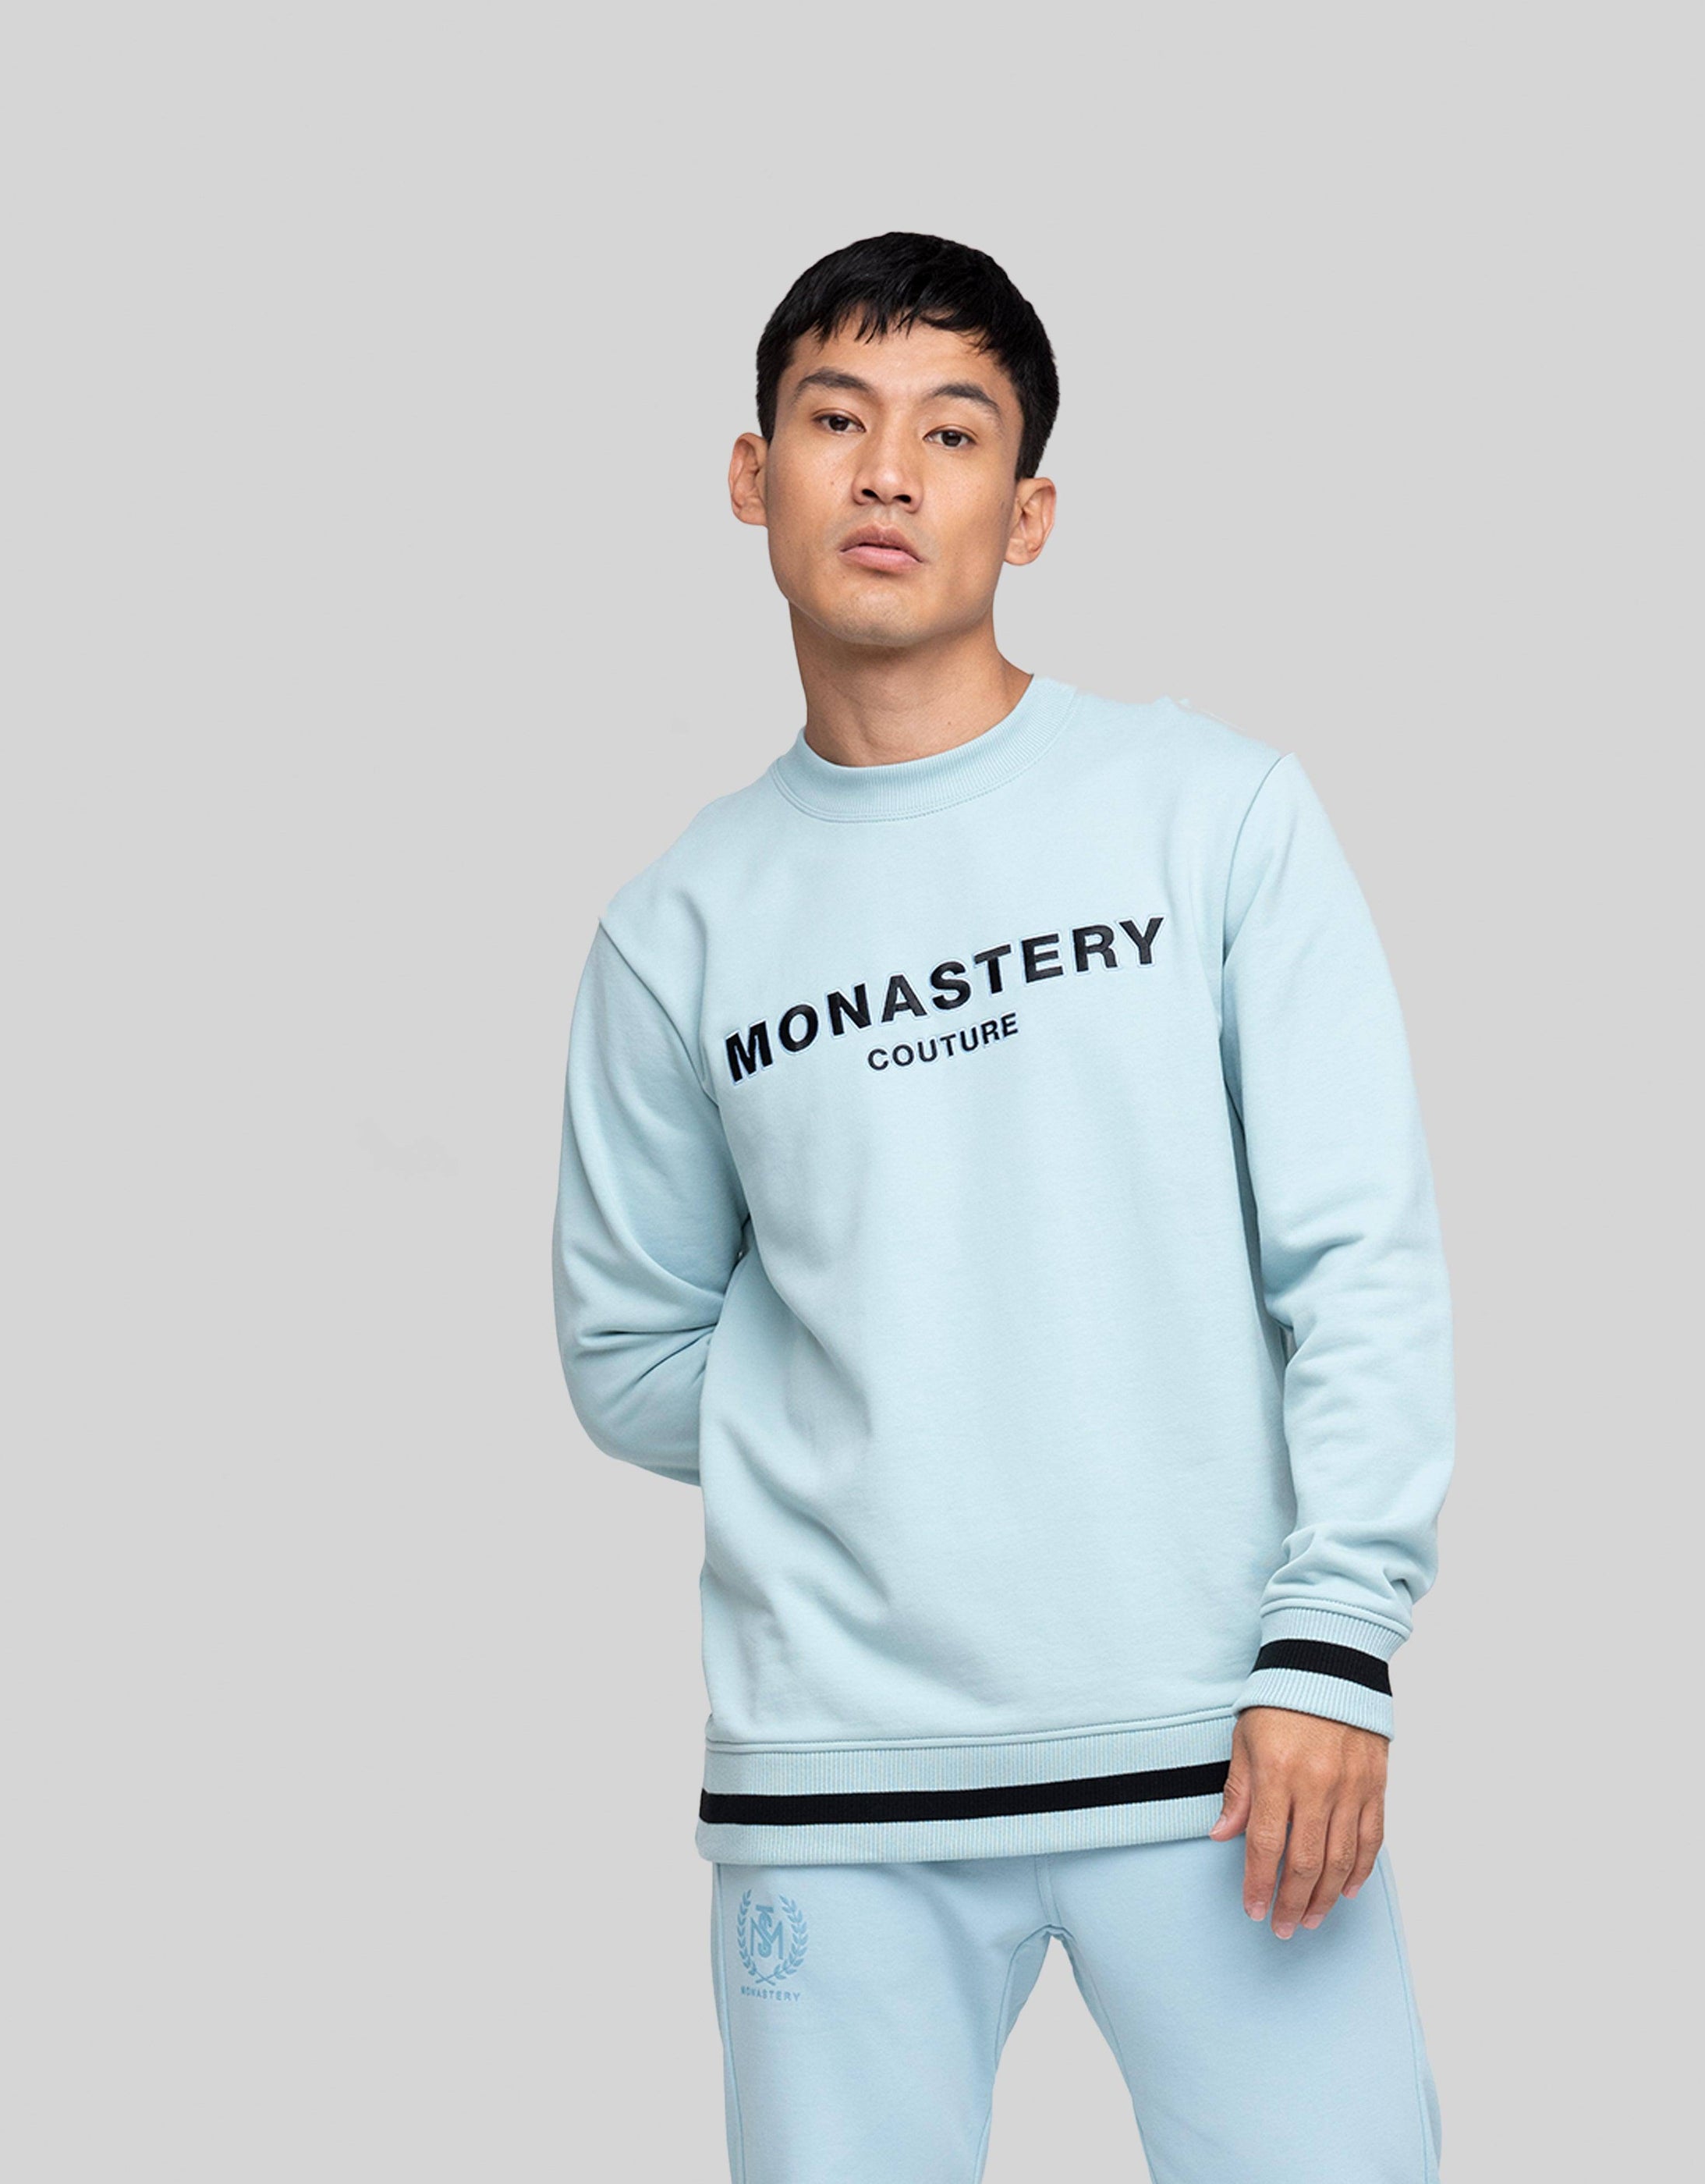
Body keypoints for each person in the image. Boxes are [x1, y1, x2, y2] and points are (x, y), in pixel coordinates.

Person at [551, 230, 1454, 2182]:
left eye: (951, 432)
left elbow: (1357, 1259)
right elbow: (625, 1348)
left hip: (1224, 1747)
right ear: (751, 474)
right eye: (836, 420)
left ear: (1024, 510)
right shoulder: (676, 927)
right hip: (834, 1778)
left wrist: (1333, 1640)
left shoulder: (1210, 815)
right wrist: (897, 1418)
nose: (887, 472)